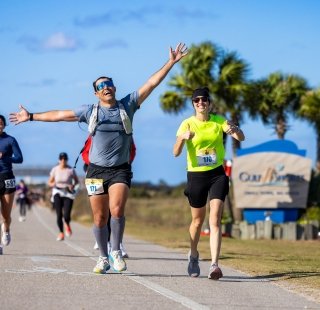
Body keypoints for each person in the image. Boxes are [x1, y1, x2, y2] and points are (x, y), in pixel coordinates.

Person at [10, 42, 188, 273]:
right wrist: (31, 116)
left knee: (117, 209)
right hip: (95, 171)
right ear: (96, 93)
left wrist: (171, 63)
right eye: (101, 86)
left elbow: (150, 84)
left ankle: (115, 250)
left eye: (109, 84)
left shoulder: (128, 105)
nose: (106, 88)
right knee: (99, 216)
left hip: (120, 170)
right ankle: (102, 257)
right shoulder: (89, 111)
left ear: (114, 88)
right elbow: (60, 115)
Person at [173, 87, 245, 280]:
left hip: (217, 175)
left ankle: (214, 264)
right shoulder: (187, 124)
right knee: (197, 221)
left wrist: (235, 130)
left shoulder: (218, 121)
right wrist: (182, 138)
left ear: (209, 102)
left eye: (204, 100)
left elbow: (241, 138)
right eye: (196, 100)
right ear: (193, 104)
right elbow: (176, 152)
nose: (200, 103)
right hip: (196, 176)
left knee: (214, 220)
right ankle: (194, 254)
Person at [0, 114, 23, 255]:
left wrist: (5, 157)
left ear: (4, 125)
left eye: (1, 123)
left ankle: (6, 230)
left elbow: (19, 158)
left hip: (7, 177)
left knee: (6, 215)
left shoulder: (10, 140)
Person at [48, 152, 79, 241]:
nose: (63, 160)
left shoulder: (70, 170)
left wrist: (72, 186)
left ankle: (67, 224)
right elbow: (49, 182)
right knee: (59, 214)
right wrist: (53, 183)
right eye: (61, 159)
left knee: (66, 215)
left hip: (68, 193)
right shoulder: (55, 169)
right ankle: (61, 233)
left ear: (67, 160)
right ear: (59, 160)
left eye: (65, 159)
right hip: (57, 192)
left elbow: (76, 181)